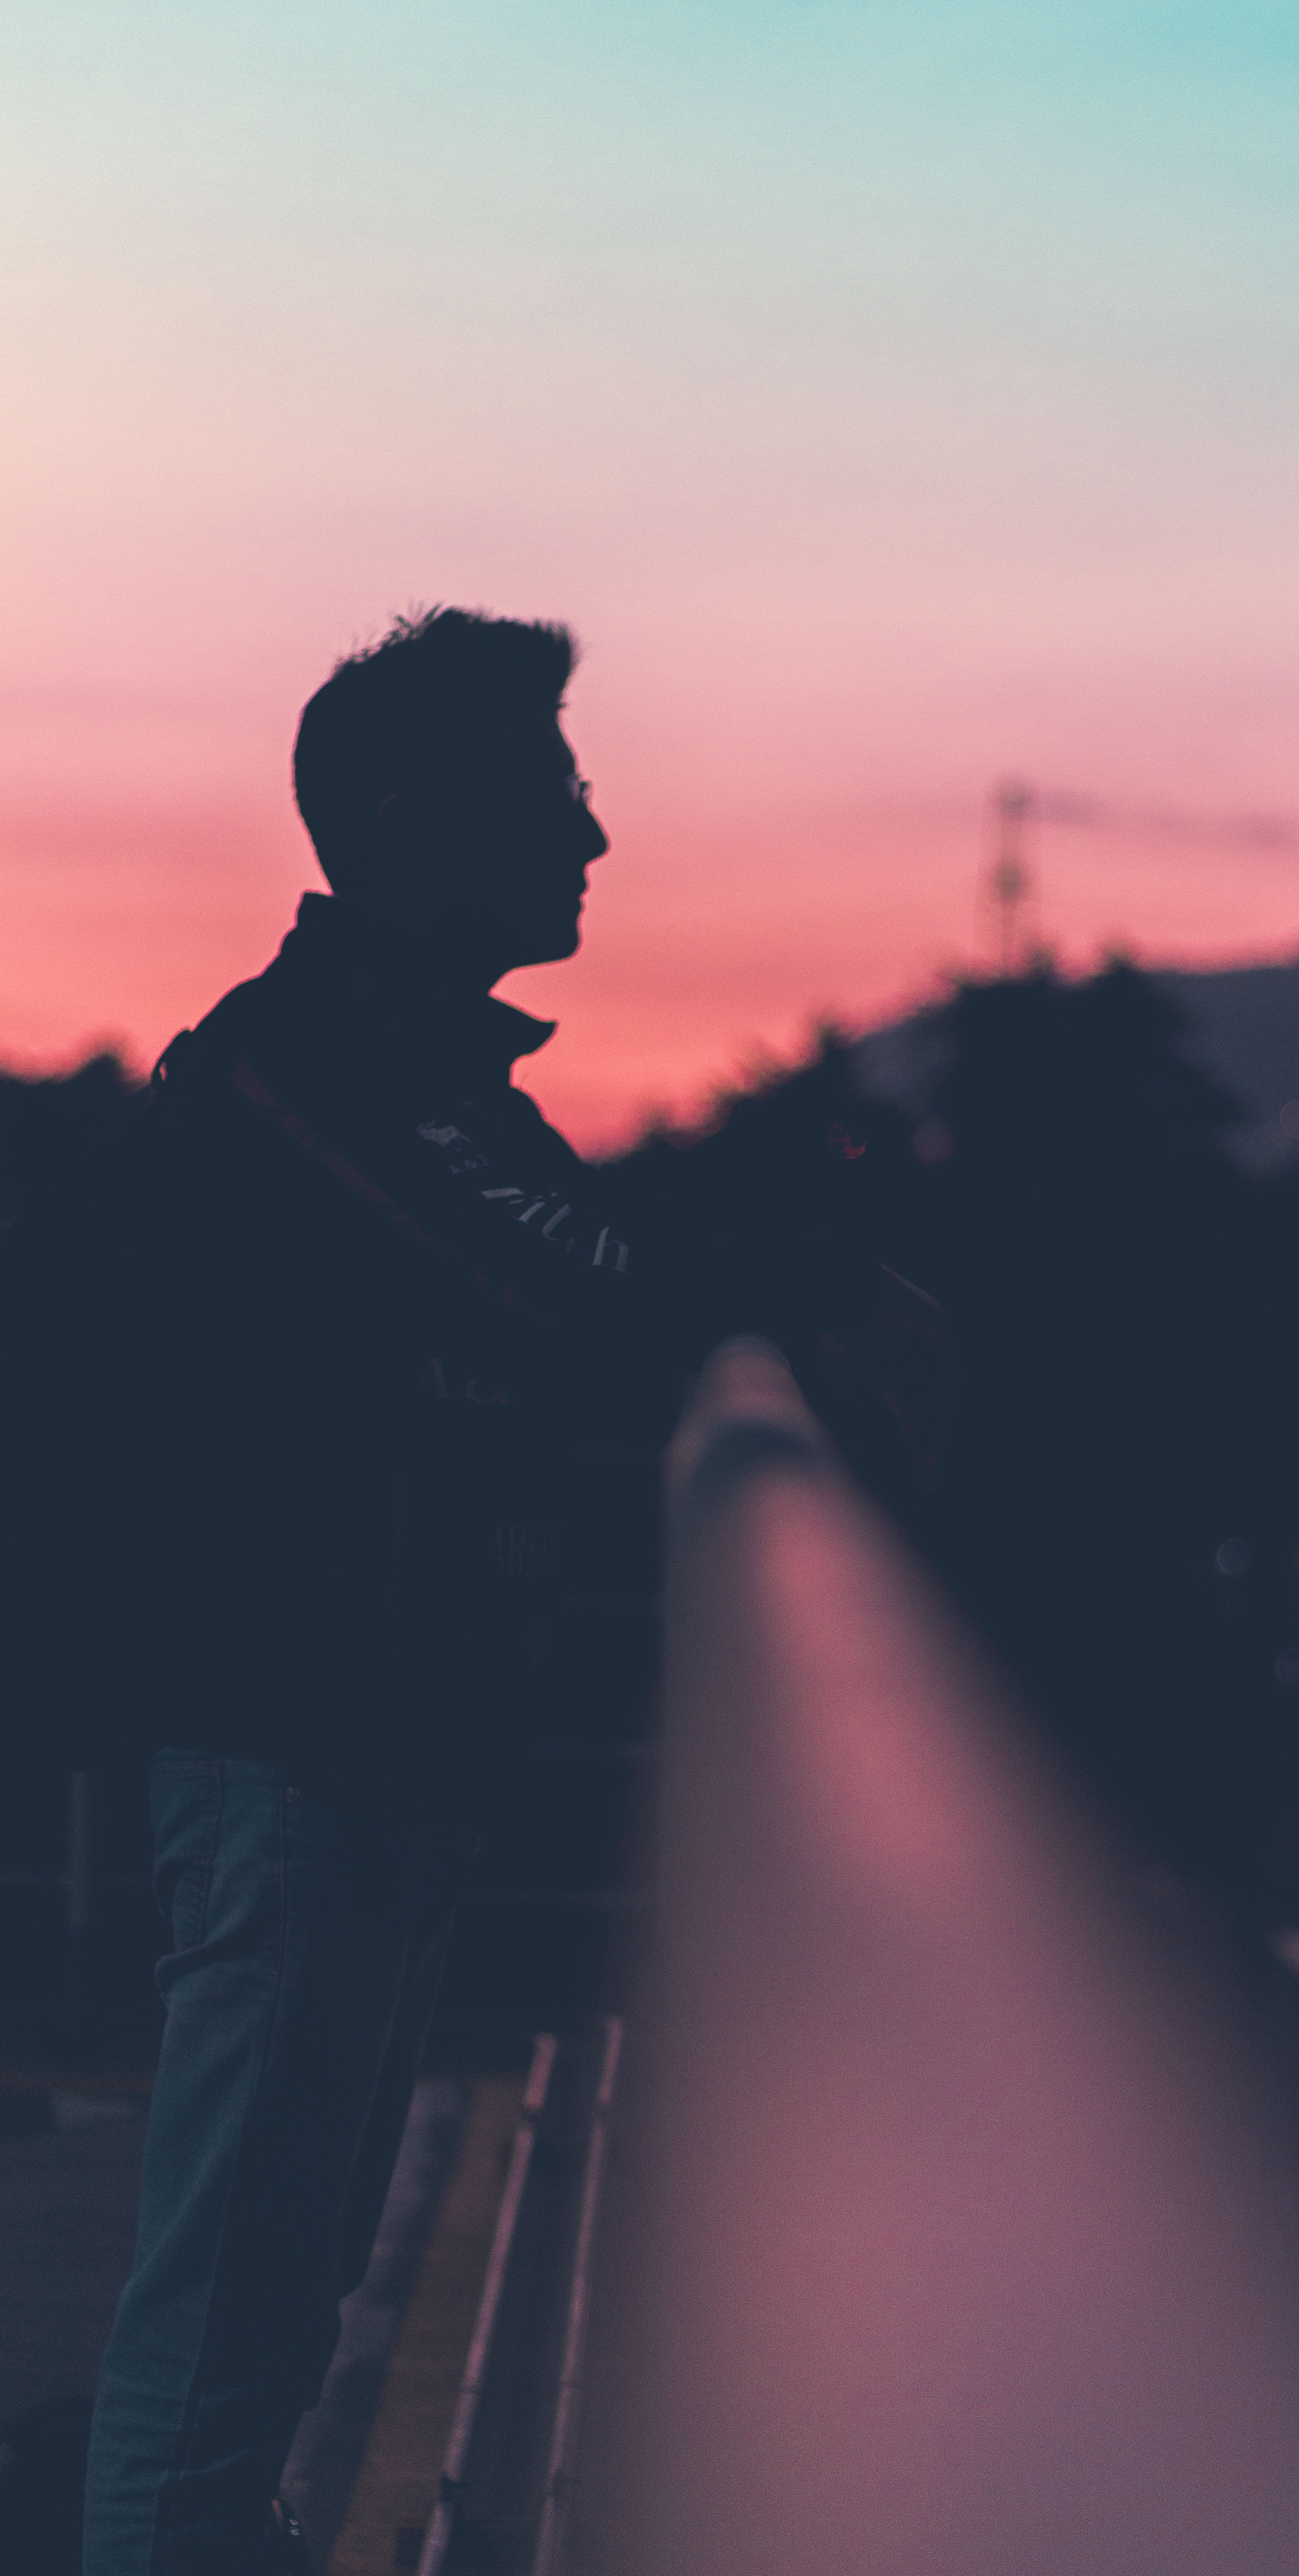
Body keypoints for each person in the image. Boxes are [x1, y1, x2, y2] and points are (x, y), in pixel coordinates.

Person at [31, 606, 940, 2576]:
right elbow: (581, 1290)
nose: (593, 836)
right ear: (397, 816)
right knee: (214, 2363)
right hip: (293, 1768)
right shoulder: (313, 1074)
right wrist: (806, 1275)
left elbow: (588, 1251)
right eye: (547, 791)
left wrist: (763, 1263)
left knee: (266, 2341)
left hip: (354, 1765)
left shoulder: (401, 1069)